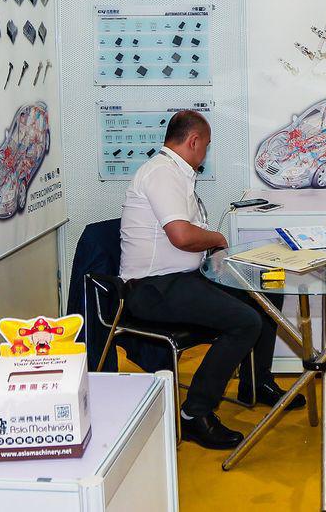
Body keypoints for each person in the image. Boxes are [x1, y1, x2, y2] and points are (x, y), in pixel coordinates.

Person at [119, 109, 305, 449]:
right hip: (153, 287)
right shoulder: (162, 174)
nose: (205, 152)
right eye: (206, 145)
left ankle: (256, 381)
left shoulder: (177, 174)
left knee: (268, 285)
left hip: (184, 279)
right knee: (245, 321)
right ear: (193, 141)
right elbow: (181, 235)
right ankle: (195, 414)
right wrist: (218, 239)